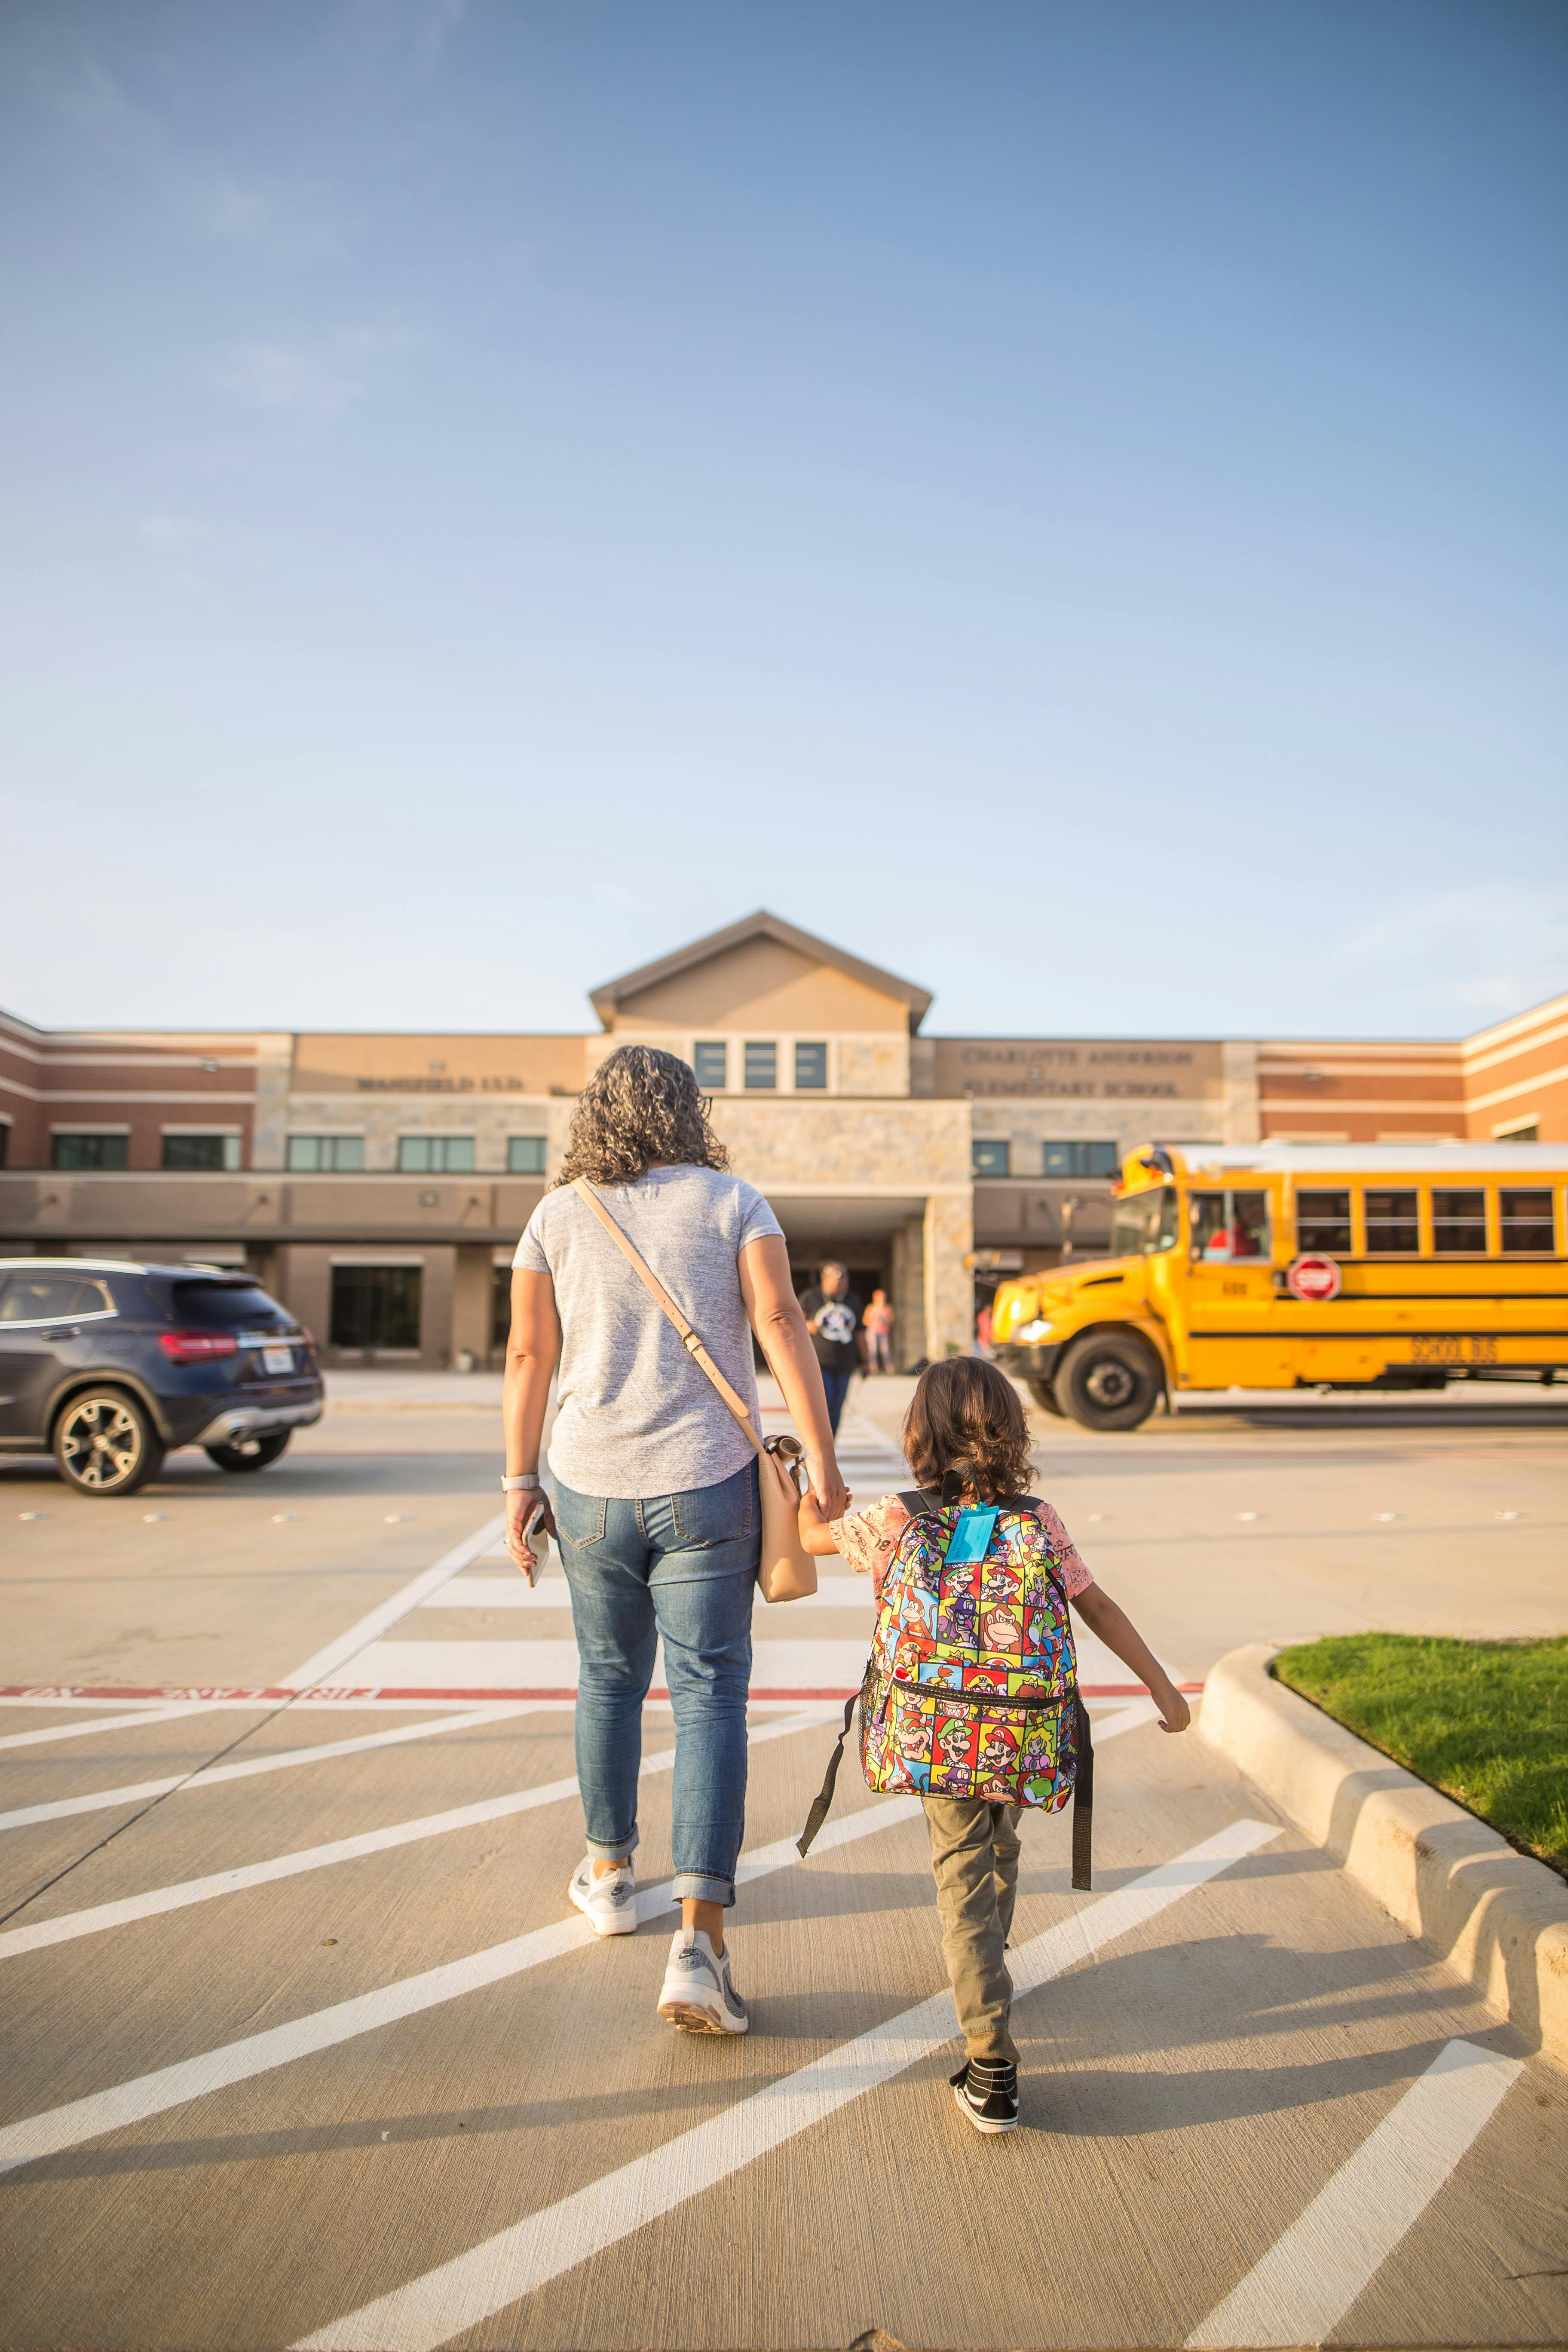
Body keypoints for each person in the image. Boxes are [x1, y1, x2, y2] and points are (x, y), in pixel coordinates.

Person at [502, 1044, 848, 2036]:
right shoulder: (735, 1199)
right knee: (709, 1697)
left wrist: (519, 1481)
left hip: (589, 1484)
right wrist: (819, 1458)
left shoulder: (557, 1212)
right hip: (709, 1483)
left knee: (607, 1678)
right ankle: (699, 1942)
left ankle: (609, 1872)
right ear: (689, 1110)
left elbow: (530, 1351)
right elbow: (780, 1317)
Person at [799, 1356, 1189, 2131]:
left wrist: (795, 1489)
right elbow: (1097, 1605)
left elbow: (810, 1537)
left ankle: (989, 2057)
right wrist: (1160, 1684)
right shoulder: (1037, 1518)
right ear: (1011, 1433)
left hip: (936, 1731)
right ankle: (991, 1962)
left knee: (960, 1875)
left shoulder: (897, 1518)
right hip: (1018, 1729)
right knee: (997, 1845)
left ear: (920, 1433)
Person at [798, 1261, 862, 1432]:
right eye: (837, 1276)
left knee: (836, 1408)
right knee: (823, 1406)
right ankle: (820, 1447)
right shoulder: (811, 1297)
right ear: (824, 1278)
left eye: (845, 1276)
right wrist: (807, 1325)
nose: (842, 1281)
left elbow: (860, 1333)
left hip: (845, 1364)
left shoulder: (852, 1300)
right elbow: (792, 1322)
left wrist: (867, 1360)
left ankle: (830, 1446)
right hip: (819, 1363)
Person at [863, 1287, 895, 1373]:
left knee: (886, 1350)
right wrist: (874, 1322)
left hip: (884, 1332)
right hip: (873, 1331)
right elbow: (865, 1321)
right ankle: (873, 1369)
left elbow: (891, 1320)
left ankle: (889, 1368)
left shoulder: (887, 1308)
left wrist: (885, 1321)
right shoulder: (871, 1308)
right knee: (873, 1350)